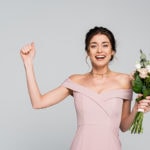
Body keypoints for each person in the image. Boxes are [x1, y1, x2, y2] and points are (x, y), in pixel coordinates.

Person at [20, 26, 150, 150]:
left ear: (112, 51)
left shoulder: (125, 81)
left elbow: (123, 126)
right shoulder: (76, 81)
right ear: (88, 51)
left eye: (105, 45)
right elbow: (38, 102)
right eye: (94, 46)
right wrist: (28, 63)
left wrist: (136, 109)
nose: (99, 50)